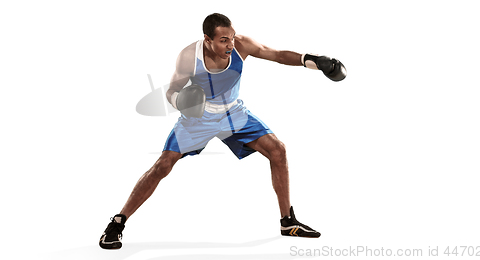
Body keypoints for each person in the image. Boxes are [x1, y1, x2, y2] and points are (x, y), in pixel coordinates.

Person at [99, 13, 346, 249]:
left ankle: (288, 222)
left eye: (232, 37)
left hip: (234, 114)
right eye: (223, 40)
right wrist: (182, 103)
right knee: (163, 165)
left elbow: (277, 54)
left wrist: (310, 60)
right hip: (199, 117)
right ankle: (117, 222)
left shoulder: (240, 45)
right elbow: (171, 92)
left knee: (277, 150)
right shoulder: (188, 56)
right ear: (207, 39)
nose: (230, 44)